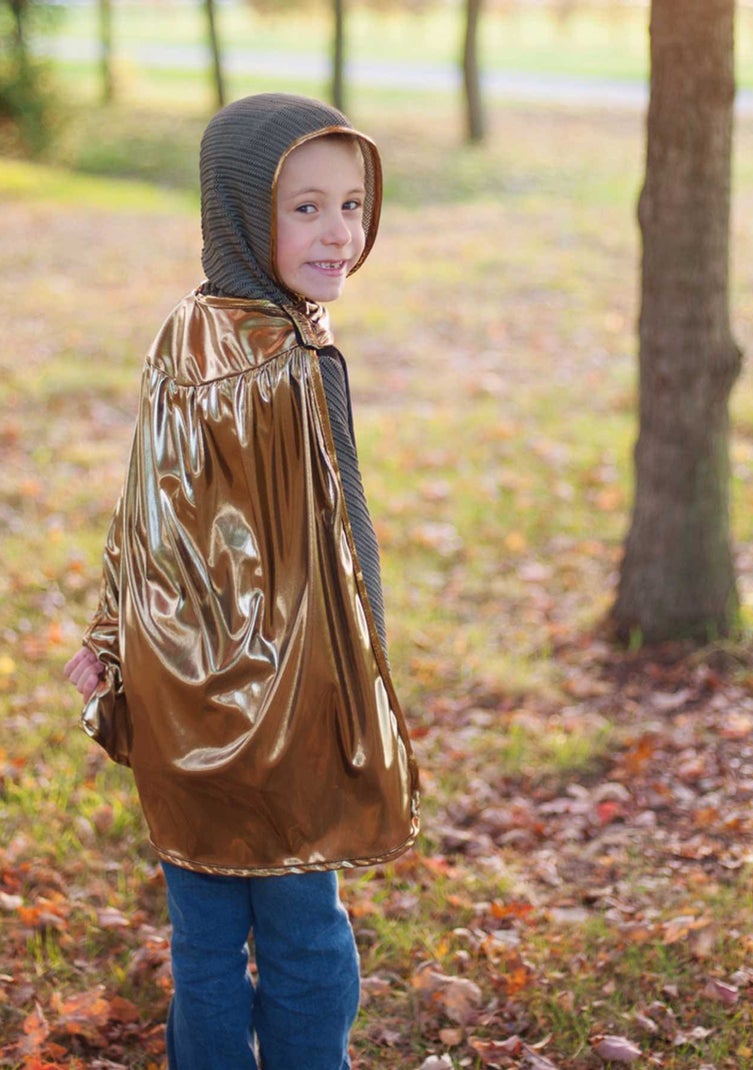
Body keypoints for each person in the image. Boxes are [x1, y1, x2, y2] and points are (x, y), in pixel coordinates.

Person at [64, 92, 419, 1070]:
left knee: (206, 939)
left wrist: (108, 636)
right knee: (307, 937)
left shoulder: (185, 331)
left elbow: (141, 506)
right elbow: (330, 546)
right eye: (304, 207)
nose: (339, 231)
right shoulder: (282, 360)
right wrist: (355, 692)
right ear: (237, 210)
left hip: (185, 708)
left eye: (350, 203)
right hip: (282, 710)